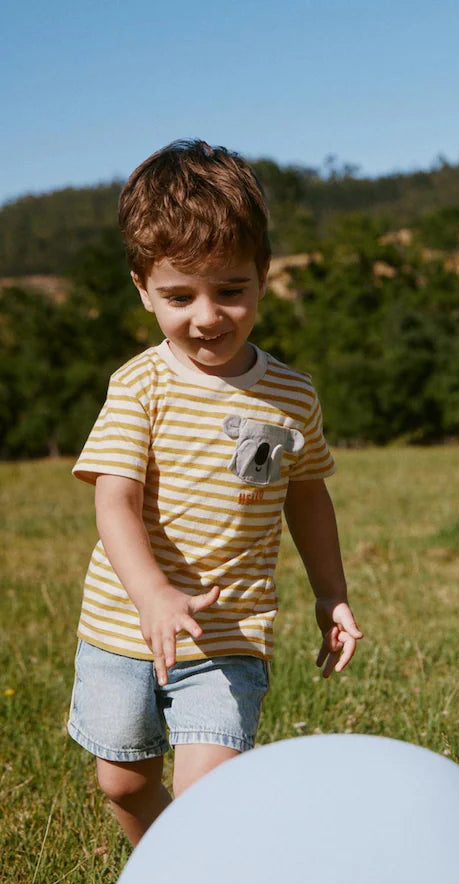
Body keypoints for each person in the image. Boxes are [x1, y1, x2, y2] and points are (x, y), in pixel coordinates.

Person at [67, 139, 361, 846]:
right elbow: (114, 499)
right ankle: (162, 874)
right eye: (180, 296)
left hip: (230, 631)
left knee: (208, 796)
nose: (207, 316)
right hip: (124, 626)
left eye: (231, 290)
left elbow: (308, 497)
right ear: (144, 289)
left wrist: (331, 592)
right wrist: (153, 597)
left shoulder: (291, 393)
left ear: (264, 279)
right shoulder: (141, 385)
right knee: (124, 782)